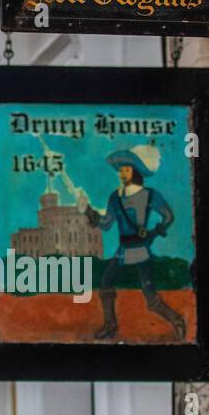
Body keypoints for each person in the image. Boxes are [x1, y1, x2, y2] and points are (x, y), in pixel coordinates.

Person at [77, 145, 186, 341]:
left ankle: (176, 319)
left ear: (135, 171)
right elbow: (106, 224)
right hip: (123, 250)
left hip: (141, 249)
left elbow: (168, 216)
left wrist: (154, 232)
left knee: (150, 298)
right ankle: (110, 325)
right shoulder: (114, 198)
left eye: (126, 169)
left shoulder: (150, 195)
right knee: (106, 283)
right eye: (121, 170)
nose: (122, 173)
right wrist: (88, 211)